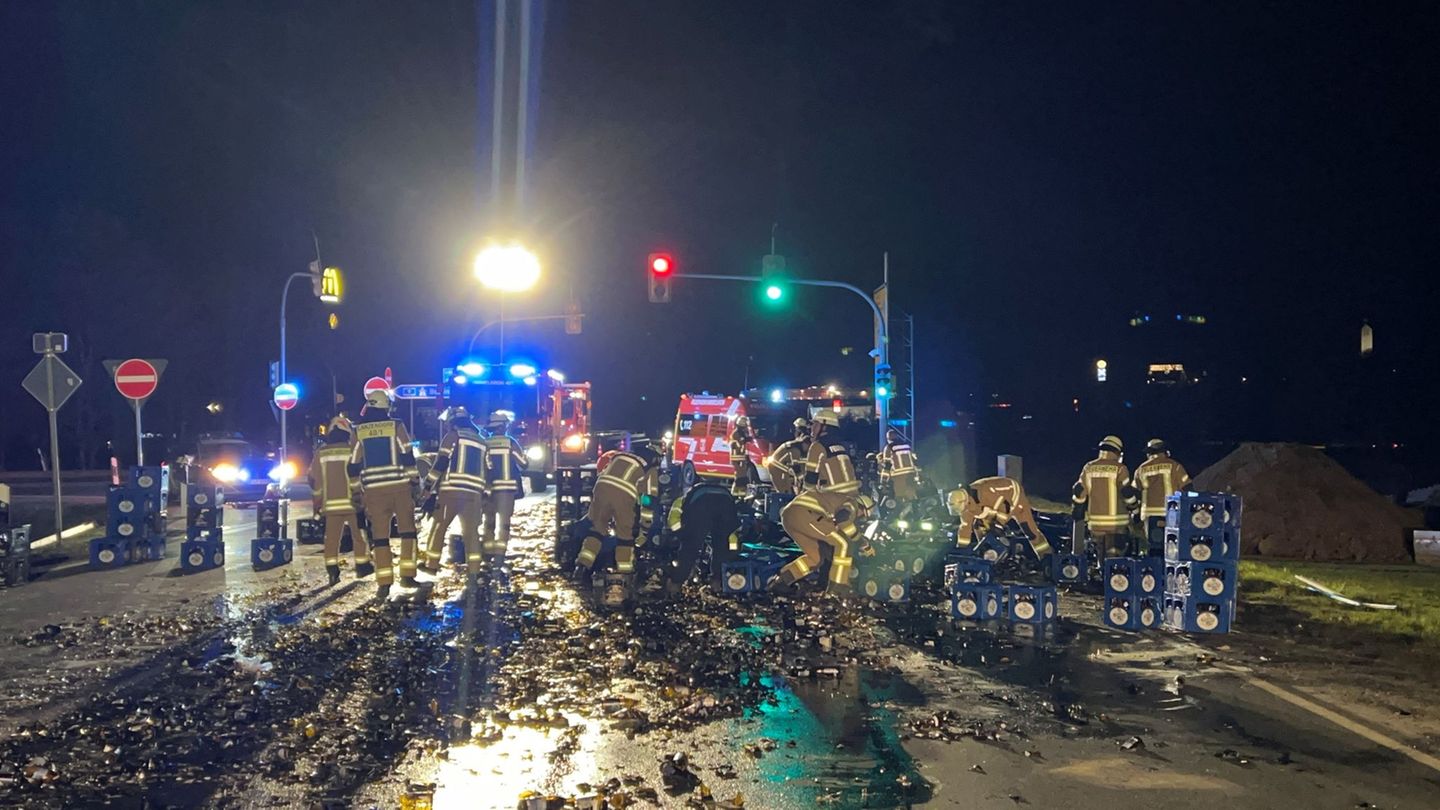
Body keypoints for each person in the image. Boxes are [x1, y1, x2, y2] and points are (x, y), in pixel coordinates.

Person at [771, 410, 868, 594]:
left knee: (815, 557)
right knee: (843, 544)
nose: (812, 428)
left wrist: (804, 492)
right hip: (806, 512)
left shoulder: (818, 446)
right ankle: (838, 588)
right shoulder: (842, 448)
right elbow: (844, 520)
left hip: (797, 513)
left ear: (824, 426)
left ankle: (781, 582)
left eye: (815, 424)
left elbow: (810, 479)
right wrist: (863, 543)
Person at [348, 389, 419, 599]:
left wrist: (355, 490)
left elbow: (352, 465)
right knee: (408, 532)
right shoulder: (396, 426)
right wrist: (414, 481)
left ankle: (384, 583)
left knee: (380, 537)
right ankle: (407, 575)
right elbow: (407, 455)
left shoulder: (358, 430)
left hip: (373, 491)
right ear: (386, 406)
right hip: (399, 488)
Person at [420, 407, 486, 575]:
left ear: (453, 422)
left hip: (451, 492)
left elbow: (440, 463)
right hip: (474, 493)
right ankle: (474, 569)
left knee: (439, 527)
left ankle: (431, 564)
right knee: (471, 533)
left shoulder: (452, 437)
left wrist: (428, 486)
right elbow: (488, 468)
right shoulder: (481, 440)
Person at [308, 416, 372, 585]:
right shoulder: (353, 450)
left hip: (331, 506)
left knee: (331, 539)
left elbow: (314, 480)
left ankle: (332, 571)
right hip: (353, 504)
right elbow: (363, 475)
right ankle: (362, 566)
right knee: (359, 536)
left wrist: (317, 504)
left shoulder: (320, 453)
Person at [575, 447, 651, 582]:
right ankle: (625, 573)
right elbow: (648, 500)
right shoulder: (647, 468)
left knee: (596, 530)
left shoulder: (618, 457)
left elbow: (602, 473)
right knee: (624, 536)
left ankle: (582, 566)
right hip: (623, 494)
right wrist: (644, 527)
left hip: (601, 487)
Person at [660, 479, 742, 594]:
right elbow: (731, 532)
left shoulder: (682, 499)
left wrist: (682, 536)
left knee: (689, 549)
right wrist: (732, 551)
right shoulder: (722, 492)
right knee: (721, 547)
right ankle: (717, 582)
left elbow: (673, 522)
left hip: (701, 505)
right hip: (726, 504)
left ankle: (675, 584)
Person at [947, 475, 1052, 559]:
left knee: (1030, 531)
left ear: (966, 502)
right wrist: (961, 552)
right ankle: (989, 557)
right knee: (980, 528)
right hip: (993, 506)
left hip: (1013, 495)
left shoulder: (986, 493)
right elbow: (964, 529)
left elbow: (1005, 507)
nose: (963, 513)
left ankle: (1047, 558)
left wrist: (998, 525)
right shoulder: (966, 507)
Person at [1071, 435, 1139, 559]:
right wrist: (1135, 510)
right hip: (1117, 525)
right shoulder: (1120, 469)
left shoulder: (1088, 467)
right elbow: (1127, 493)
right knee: (1114, 559)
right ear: (1117, 452)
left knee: (1100, 556)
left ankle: (1100, 571)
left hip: (1096, 523)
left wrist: (1077, 509)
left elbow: (1079, 491)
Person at [481, 411, 528, 562]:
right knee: (504, 523)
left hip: (488, 489)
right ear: (501, 427)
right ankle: (500, 554)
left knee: (489, 521)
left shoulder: (484, 443)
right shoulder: (510, 442)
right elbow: (523, 464)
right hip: (507, 490)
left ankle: (488, 553)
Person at [1133, 438, 1191, 552]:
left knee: (1153, 546)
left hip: (1148, 516)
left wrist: (1135, 513)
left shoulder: (1140, 469)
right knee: (1172, 546)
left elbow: (1134, 492)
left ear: (1148, 453)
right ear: (1165, 451)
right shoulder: (1174, 466)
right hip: (1171, 512)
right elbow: (1187, 487)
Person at [765, 417, 811, 496]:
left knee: (792, 484)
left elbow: (802, 466)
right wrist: (803, 485)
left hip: (783, 466)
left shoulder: (800, 444)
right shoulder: (795, 449)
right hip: (775, 467)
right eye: (808, 445)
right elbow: (797, 470)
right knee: (785, 491)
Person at [878, 429, 921, 503]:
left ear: (888, 439)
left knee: (899, 498)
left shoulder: (889, 448)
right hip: (911, 474)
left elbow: (887, 466)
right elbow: (914, 460)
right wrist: (919, 475)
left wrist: (883, 482)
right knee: (912, 496)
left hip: (899, 477)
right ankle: (916, 509)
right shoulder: (907, 445)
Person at [728, 415, 755, 497]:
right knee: (739, 476)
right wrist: (747, 439)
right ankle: (735, 493)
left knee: (743, 476)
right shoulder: (736, 433)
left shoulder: (741, 433)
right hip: (736, 458)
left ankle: (741, 493)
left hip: (741, 457)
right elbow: (740, 442)